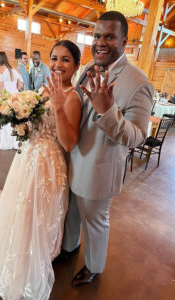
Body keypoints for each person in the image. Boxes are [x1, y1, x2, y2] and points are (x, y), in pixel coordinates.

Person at [0, 40, 81, 300]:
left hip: (49, 163)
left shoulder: (72, 97)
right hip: (27, 158)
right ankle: (17, 246)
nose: (57, 64)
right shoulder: (44, 88)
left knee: (40, 211)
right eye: (54, 58)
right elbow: (36, 124)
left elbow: (68, 142)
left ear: (76, 65)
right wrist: (20, 123)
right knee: (21, 207)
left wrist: (57, 105)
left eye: (65, 59)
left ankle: (35, 253)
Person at [55, 11, 154, 287]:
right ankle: (70, 248)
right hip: (74, 160)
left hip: (100, 169)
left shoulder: (139, 82)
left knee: (95, 221)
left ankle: (94, 266)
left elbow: (137, 137)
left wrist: (108, 111)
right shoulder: (87, 68)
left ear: (124, 41)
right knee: (72, 211)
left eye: (109, 36)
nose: (101, 42)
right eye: (97, 35)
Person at [0, 51, 23, 150]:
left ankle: (5, 142)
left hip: (4, 95)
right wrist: (14, 91)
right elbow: (21, 84)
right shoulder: (15, 68)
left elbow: (1, 87)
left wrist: (5, 99)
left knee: (2, 117)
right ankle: (16, 141)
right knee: (15, 118)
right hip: (15, 95)